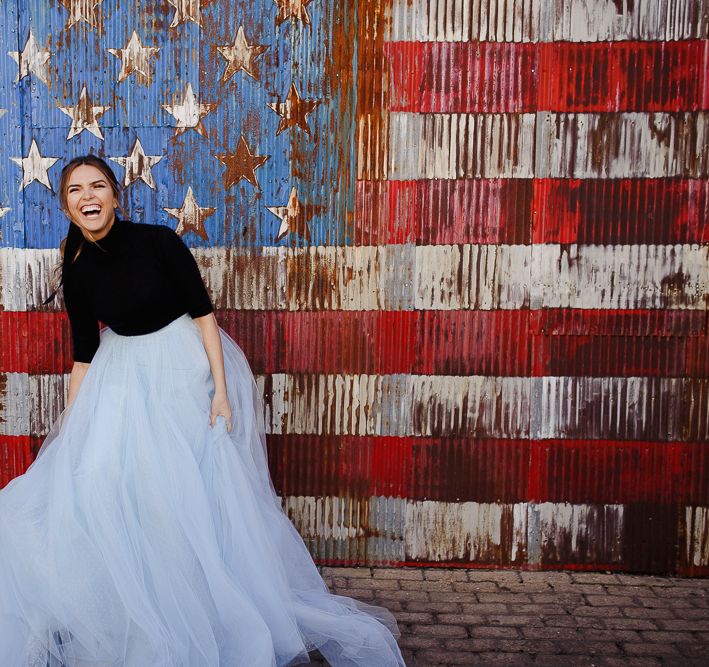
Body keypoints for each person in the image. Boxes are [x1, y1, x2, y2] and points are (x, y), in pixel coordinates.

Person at [0, 155, 406, 666]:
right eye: (76, 190)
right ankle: (142, 610)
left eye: (98, 185)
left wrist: (219, 390)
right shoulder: (76, 263)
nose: (88, 196)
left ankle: (203, 612)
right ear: (66, 205)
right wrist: (70, 427)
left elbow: (203, 315)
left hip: (180, 365)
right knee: (107, 482)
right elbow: (84, 354)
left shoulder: (158, 242)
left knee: (178, 491)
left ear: (115, 196)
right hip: (120, 374)